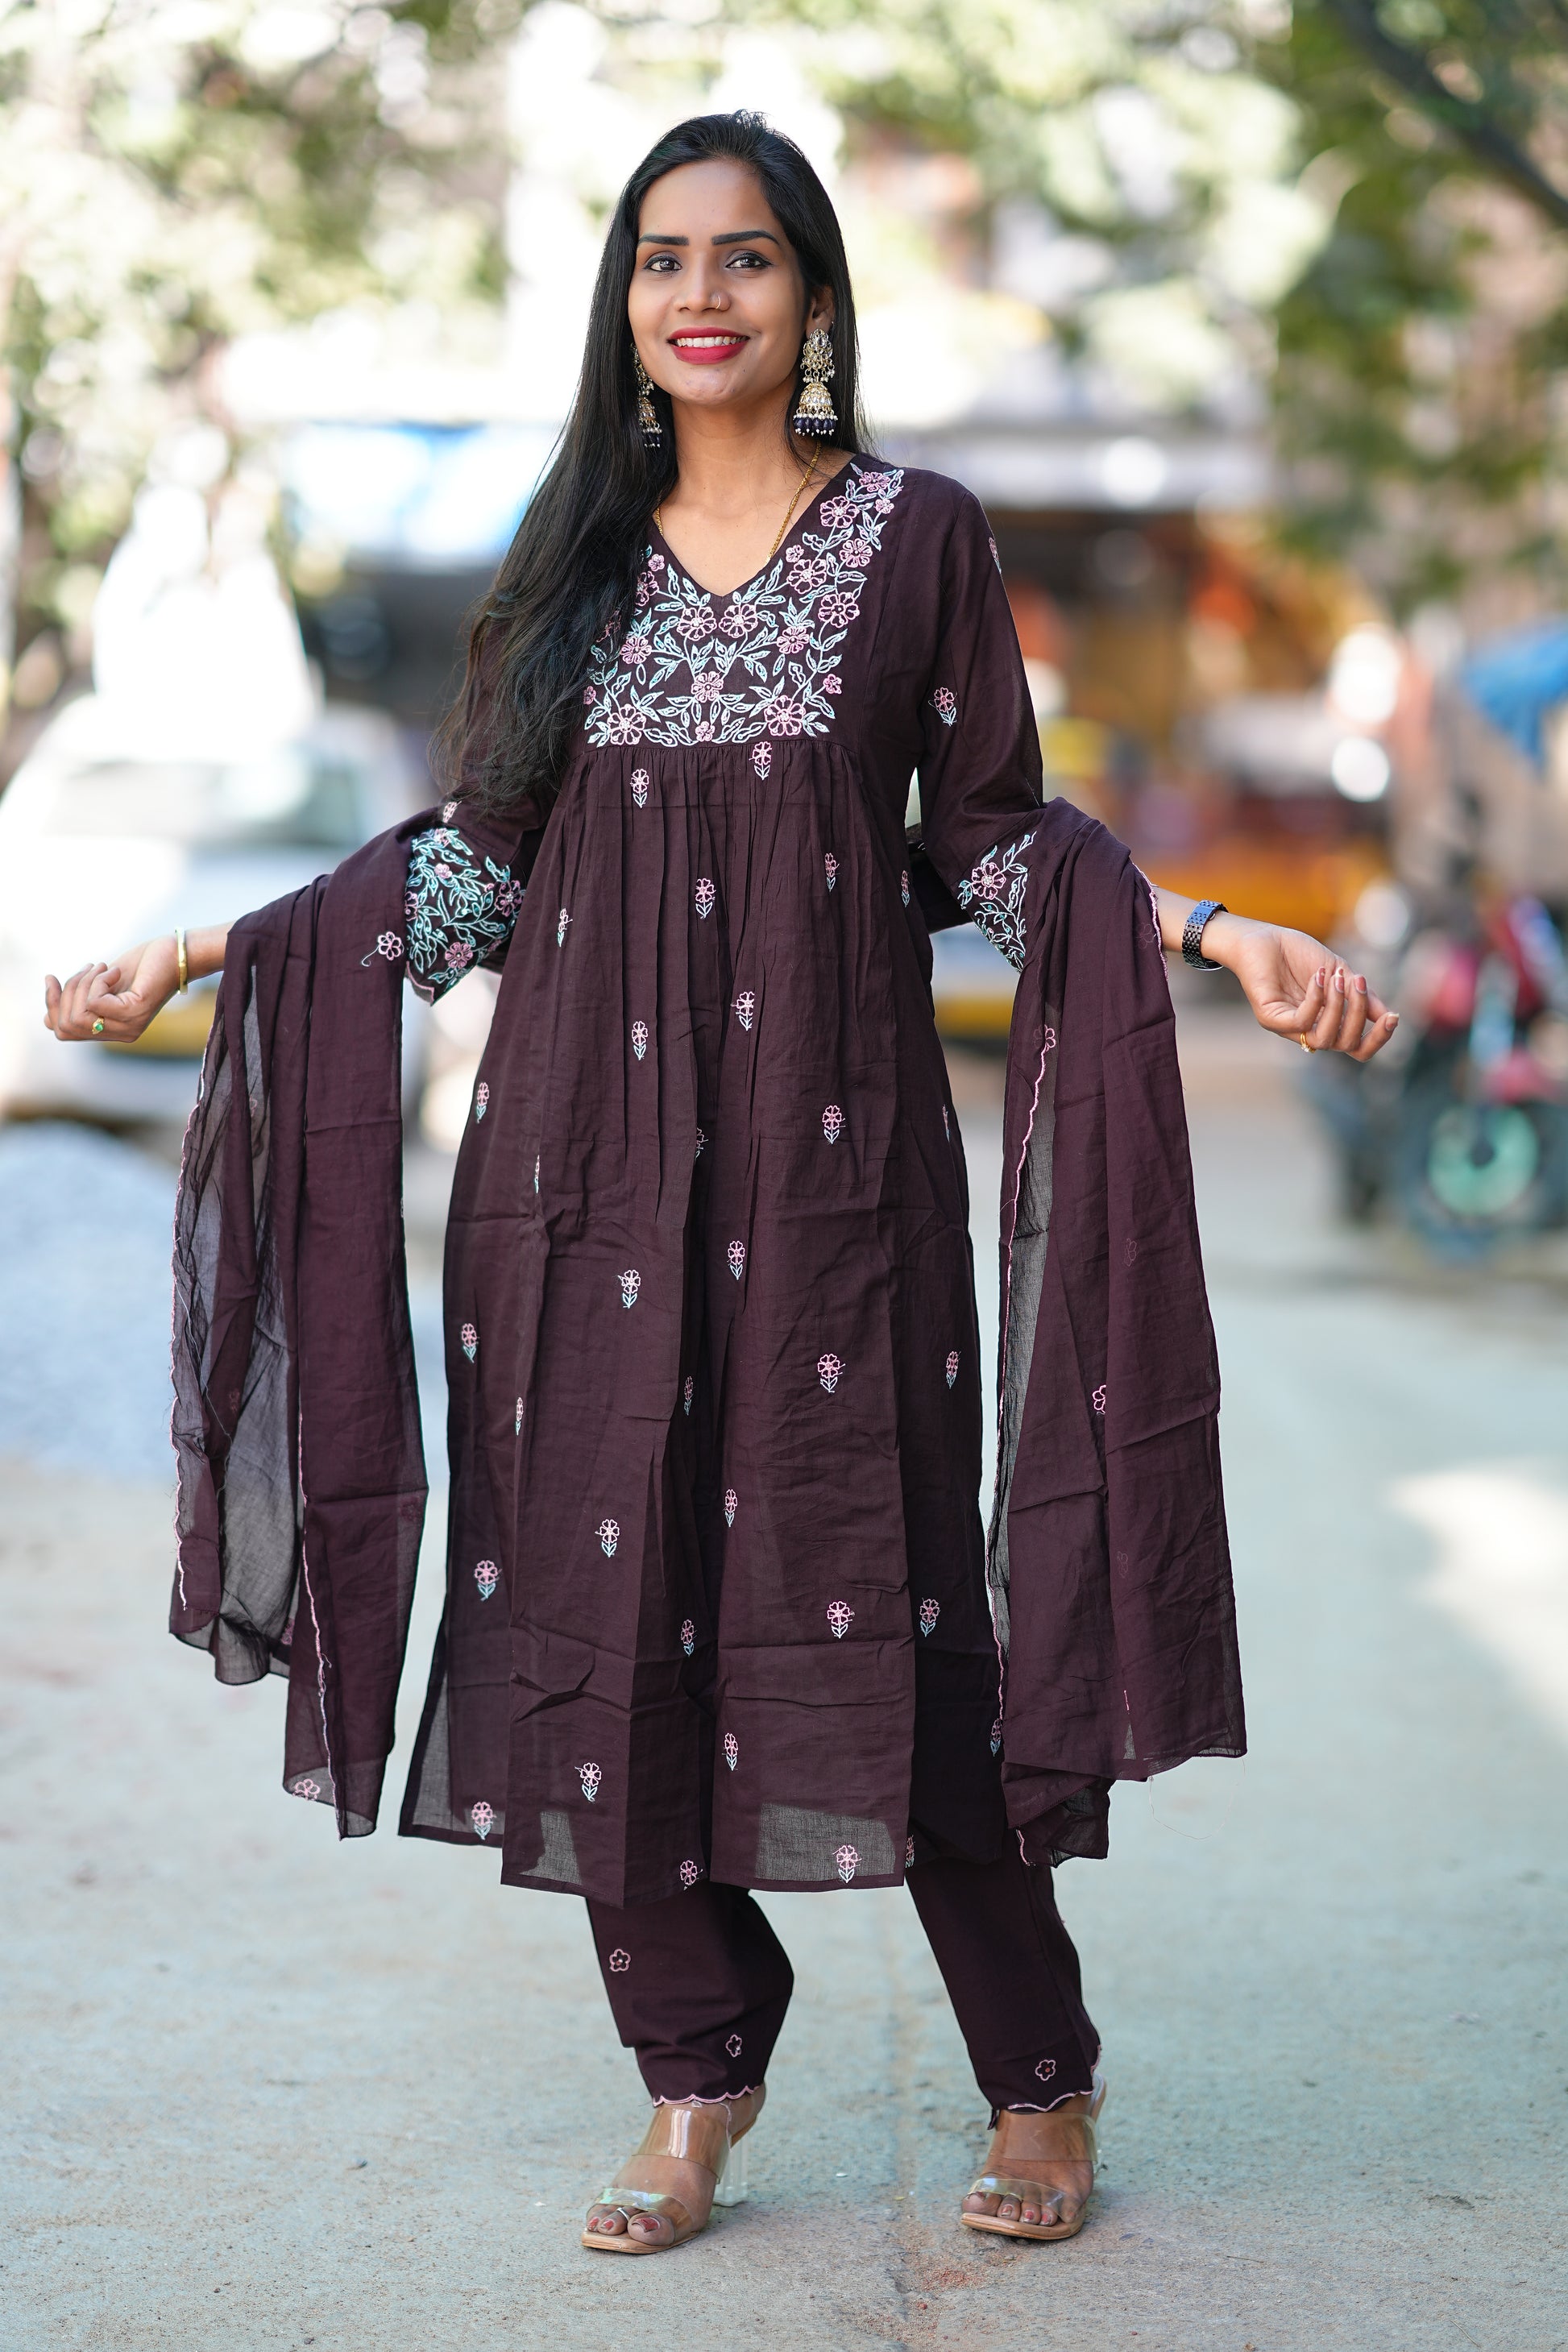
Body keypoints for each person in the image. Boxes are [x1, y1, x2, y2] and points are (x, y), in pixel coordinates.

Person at [45, 111, 1397, 2258]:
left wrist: (1217, 931)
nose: (702, 294)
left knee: (895, 1614)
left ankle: (1036, 2072)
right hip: (572, 1191)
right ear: (624, 302)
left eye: (745, 257)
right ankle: (692, 2071)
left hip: (838, 1189)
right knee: (592, 1616)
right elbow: (477, 864)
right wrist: (207, 953)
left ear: (811, 293)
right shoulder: (567, 562)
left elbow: (990, 838)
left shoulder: (918, 538)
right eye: (663, 258)